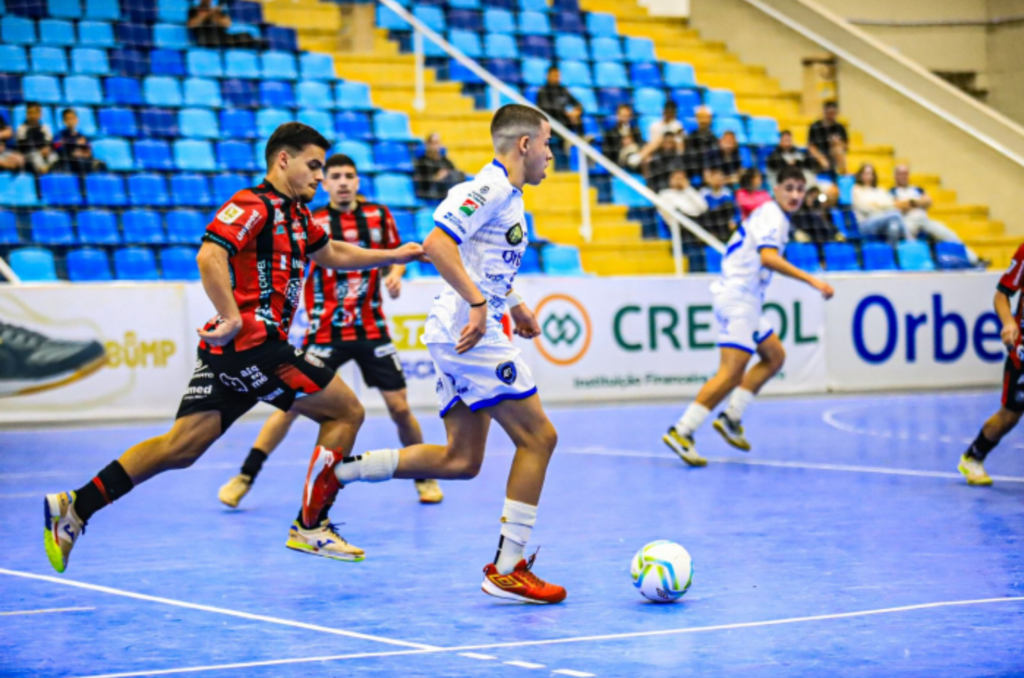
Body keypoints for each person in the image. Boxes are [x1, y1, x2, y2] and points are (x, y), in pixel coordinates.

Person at [42, 123, 425, 573]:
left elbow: (333, 254)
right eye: (314, 165)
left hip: (234, 353)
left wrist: (393, 255)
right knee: (346, 412)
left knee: (181, 447)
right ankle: (311, 523)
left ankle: (76, 505)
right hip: (255, 345)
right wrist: (230, 314)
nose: (320, 177)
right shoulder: (252, 203)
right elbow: (210, 255)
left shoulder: (298, 216)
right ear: (283, 159)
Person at [299, 104, 567, 604]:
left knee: (461, 460)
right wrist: (480, 304)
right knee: (539, 438)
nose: (551, 154)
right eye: (548, 143)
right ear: (525, 144)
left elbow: (479, 260)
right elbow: (438, 244)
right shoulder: (487, 189)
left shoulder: (508, 196)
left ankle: (337, 473)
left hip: (462, 328)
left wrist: (514, 303)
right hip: (469, 331)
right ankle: (507, 570)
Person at [218, 152, 443, 513]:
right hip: (324, 332)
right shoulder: (312, 220)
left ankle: (424, 478)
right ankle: (245, 477)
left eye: (348, 176)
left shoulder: (379, 215)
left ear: (357, 181)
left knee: (400, 408)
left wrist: (395, 275)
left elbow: (395, 256)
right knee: (289, 408)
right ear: (325, 184)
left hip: (371, 330)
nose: (342, 183)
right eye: (334, 177)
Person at [663, 166, 834, 464]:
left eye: (800, 189)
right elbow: (768, 257)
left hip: (747, 300)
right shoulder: (773, 216)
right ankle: (682, 430)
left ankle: (732, 416)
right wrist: (812, 280)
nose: (795, 195)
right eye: (789, 188)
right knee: (731, 373)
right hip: (738, 300)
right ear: (776, 189)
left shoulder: (772, 214)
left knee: (774, 357)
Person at [959, 244, 1024, 485]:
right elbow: (1001, 295)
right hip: (1022, 354)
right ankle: (973, 457)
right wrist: (1008, 323)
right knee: (1009, 416)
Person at [891, 164, 982, 266]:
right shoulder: (892, 191)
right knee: (908, 235)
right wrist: (918, 203)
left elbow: (928, 202)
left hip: (925, 221)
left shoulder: (917, 189)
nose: (904, 176)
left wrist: (910, 203)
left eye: (906, 173)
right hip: (907, 223)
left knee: (951, 235)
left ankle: (974, 260)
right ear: (895, 176)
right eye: (901, 174)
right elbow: (898, 205)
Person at [535, 66, 583, 165]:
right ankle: (573, 139)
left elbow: (578, 104)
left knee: (579, 120)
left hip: (565, 124)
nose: (556, 78)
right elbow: (546, 110)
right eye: (553, 75)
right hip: (552, 127)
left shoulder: (563, 90)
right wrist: (566, 113)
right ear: (547, 76)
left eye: (557, 76)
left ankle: (579, 138)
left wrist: (576, 112)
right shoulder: (543, 91)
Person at [852, 163, 907, 244]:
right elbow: (865, 208)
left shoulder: (880, 191)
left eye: (871, 174)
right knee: (896, 215)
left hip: (882, 222)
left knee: (893, 227)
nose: (868, 176)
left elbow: (892, 206)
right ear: (860, 175)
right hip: (864, 224)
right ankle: (909, 240)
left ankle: (892, 250)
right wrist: (882, 208)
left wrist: (876, 205)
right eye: (866, 173)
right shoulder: (856, 190)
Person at [187, 0, 264, 49]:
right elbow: (192, 24)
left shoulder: (217, 11)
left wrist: (215, 13)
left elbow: (227, 24)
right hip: (206, 39)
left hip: (222, 37)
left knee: (246, 36)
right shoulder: (193, 10)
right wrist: (206, 14)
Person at [413, 132, 465, 202]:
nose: (435, 146)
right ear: (427, 144)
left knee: (458, 174)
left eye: (437, 143)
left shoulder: (445, 160)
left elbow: (454, 171)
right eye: (433, 143)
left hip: (447, 187)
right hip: (431, 191)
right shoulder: (422, 162)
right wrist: (437, 177)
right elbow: (422, 184)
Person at [657, 169, 707, 237]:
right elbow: (663, 212)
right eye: (677, 178)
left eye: (681, 178)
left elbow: (704, 207)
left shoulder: (690, 192)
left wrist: (687, 188)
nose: (679, 181)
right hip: (679, 224)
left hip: (697, 221)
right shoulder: (665, 194)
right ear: (671, 180)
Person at [54, 109, 102, 175]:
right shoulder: (60, 135)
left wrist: (84, 153)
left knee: (101, 164)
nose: (71, 121)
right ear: (64, 121)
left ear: (77, 119)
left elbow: (88, 150)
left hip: (84, 159)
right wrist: (74, 144)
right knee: (80, 162)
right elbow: (57, 147)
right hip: (70, 161)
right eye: (68, 119)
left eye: (72, 118)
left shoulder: (81, 136)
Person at [16, 102, 58, 175]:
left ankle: (48, 171)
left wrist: (47, 149)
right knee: (36, 156)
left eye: (35, 113)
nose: (33, 115)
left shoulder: (45, 128)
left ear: (40, 114)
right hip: (29, 153)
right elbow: (22, 146)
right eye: (30, 113)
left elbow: (50, 143)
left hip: (44, 153)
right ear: (26, 114)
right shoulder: (22, 128)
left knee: (54, 156)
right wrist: (39, 151)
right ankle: (43, 171)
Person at [807, 101, 848, 177]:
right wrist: (821, 158)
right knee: (818, 159)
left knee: (838, 149)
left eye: (833, 113)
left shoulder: (840, 128)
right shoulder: (815, 126)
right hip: (818, 156)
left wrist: (838, 142)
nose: (831, 116)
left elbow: (845, 147)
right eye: (829, 113)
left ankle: (843, 174)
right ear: (824, 112)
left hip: (832, 156)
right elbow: (811, 147)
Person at [698, 167, 738, 242]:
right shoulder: (704, 193)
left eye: (720, 178)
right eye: (715, 178)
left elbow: (736, 211)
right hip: (710, 222)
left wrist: (734, 220)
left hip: (724, 224)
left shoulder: (727, 193)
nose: (718, 180)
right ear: (710, 180)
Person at [602, 103, 644, 170]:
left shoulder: (635, 131)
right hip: (620, 160)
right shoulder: (610, 133)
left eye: (628, 116)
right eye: (623, 116)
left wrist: (633, 141)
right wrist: (621, 143)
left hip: (636, 155)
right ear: (618, 116)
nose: (625, 119)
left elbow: (641, 144)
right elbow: (608, 152)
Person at [643, 129, 684, 194]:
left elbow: (681, 176)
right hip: (660, 191)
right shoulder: (656, 157)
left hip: (677, 191)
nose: (668, 145)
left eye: (670, 142)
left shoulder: (677, 156)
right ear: (662, 143)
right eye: (666, 142)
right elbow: (650, 179)